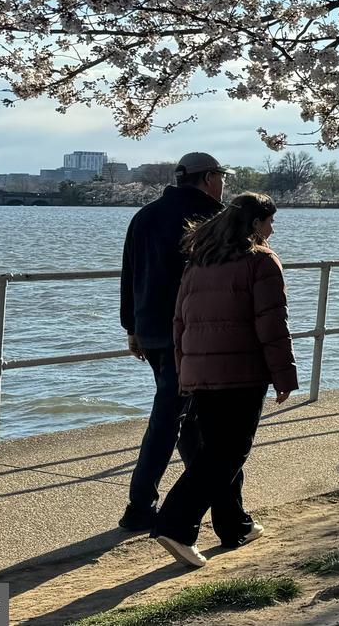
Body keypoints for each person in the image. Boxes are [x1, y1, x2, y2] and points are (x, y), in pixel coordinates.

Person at [151, 192, 296, 568]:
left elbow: (179, 322)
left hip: (200, 370)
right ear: (254, 225)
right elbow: (272, 324)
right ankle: (176, 525)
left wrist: (184, 371)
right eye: (269, 222)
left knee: (218, 448)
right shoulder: (261, 262)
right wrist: (284, 374)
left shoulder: (200, 261)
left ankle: (234, 525)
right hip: (241, 370)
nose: (272, 229)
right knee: (228, 452)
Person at [117, 152, 227, 531]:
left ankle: (205, 496)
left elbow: (130, 274)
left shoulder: (145, 215)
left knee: (186, 416)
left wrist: (130, 327)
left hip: (150, 330)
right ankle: (140, 504)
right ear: (208, 177)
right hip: (191, 333)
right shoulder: (213, 219)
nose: (223, 184)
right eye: (221, 177)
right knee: (170, 417)